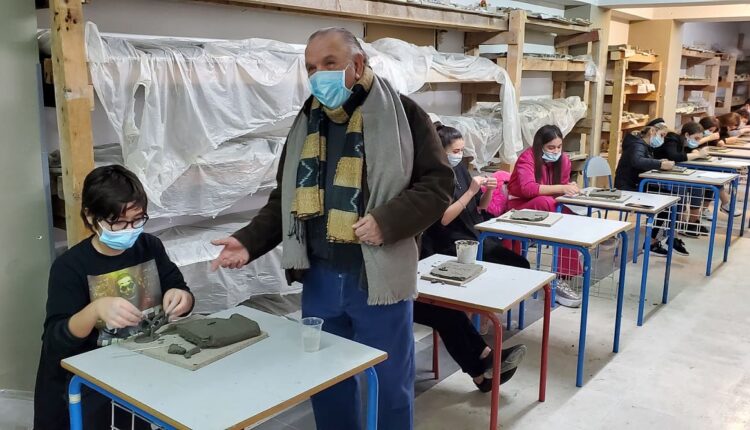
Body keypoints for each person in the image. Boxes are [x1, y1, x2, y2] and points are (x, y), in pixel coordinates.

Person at [210, 28, 454, 430]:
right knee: (326, 383)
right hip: (320, 278)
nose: (318, 75)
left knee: (389, 385)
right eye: (311, 67)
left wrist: (388, 221)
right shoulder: (308, 122)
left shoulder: (404, 115)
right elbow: (285, 198)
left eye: (328, 64)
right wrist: (248, 241)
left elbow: (438, 185)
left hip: (376, 280)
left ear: (357, 65)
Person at [34, 165, 194, 430]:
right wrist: (95, 310)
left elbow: (179, 288)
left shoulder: (149, 247)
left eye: (138, 219)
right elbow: (55, 340)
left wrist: (182, 298)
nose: (129, 229)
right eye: (118, 222)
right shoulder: (70, 267)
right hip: (84, 387)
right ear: (90, 216)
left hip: (134, 375)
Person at [415, 123, 528, 392]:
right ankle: (485, 362)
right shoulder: (432, 178)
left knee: (517, 264)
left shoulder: (460, 170)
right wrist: (470, 192)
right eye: (456, 150)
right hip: (450, 243)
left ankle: (483, 368)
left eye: (462, 149)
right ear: (439, 151)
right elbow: (441, 220)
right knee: (448, 314)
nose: (460, 154)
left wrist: (487, 189)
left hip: (470, 235)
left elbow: (482, 207)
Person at [506, 125, 582, 308]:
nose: (556, 151)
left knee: (569, 213)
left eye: (559, 147)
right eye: (551, 147)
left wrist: (570, 190)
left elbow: (561, 187)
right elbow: (527, 188)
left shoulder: (563, 160)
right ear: (540, 146)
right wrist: (561, 188)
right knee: (548, 204)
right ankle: (511, 270)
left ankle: (562, 276)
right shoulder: (528, 157)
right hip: (518, 205)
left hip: (548, 204)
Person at [614, 126, 676, 256]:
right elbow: (637, 161)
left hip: (635, 183)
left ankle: (653, 241)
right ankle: (651, 242)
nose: (662, 139)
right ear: (652, 132)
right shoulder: (637, 145)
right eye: (662, 135)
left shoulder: (640, 144)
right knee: (667, 202)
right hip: (628, 187)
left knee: (669, 200)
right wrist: (659, 164)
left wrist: (657, 162)